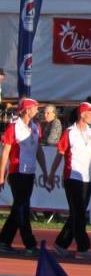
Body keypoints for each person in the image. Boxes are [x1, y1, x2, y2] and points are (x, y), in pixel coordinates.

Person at [47, 102, 91, 260]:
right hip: (72, 178)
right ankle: (82, 248)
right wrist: (52, 173)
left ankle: (61, 245)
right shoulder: (69, 133)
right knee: (80, 213)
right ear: (83, 114)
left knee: (77, 213)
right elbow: (59, 155)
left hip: (86, 179)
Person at [0, 97, 51, 254]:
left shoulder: (36, 128)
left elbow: (39, 151)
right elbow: (6, 152)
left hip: (29, 173)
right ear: (26, 110)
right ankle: (30, 244)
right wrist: (1, 175)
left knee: (19, 207)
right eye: (35, 107)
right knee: (22, 207)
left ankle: (3, 241)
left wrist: (45, 170)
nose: (37, 109)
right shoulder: (13, 128)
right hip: (17, 172)